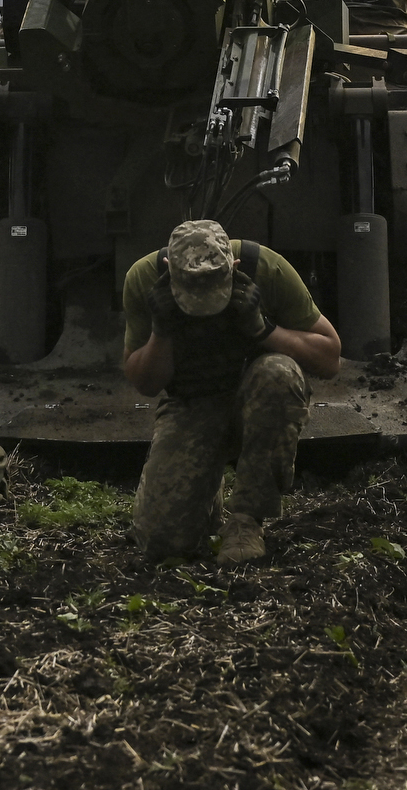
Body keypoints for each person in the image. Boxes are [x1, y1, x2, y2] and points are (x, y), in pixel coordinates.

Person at [120, 219, 342, 565]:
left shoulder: (265, 268)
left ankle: (246, 521)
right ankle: (206, 496)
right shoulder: (144, 279)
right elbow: (145, 383)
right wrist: (160, 331)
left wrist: (262, 328)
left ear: (234, 267)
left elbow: (330, 358)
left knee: (278, 373)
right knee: (163, 542)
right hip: (192, 404)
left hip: (257, 401)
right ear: (168, 270)